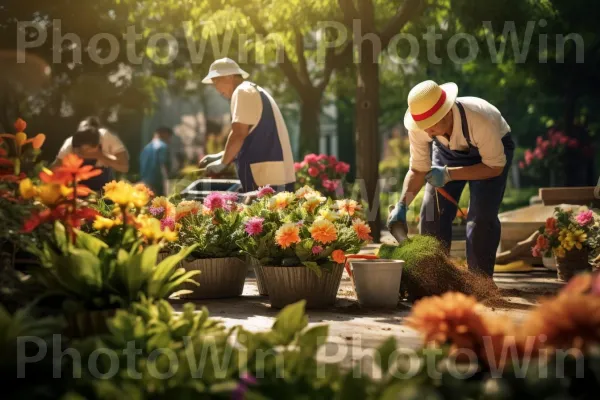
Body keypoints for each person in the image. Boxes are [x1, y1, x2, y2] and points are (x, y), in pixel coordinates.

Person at [388, 80, 515, 277]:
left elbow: (495, 167)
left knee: (481, 216)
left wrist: (449, 174)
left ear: (446, 112)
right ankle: (435, 278)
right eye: (423, 126)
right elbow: (418, 170)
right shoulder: (421, 127)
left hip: (491, 156)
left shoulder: (480, 119)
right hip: (447, 152)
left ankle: (480, 283)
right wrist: (402, 205)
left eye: (430, 124)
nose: (426, 131)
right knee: (431, 210)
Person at [199, 58, 296, 192]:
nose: (216, 88)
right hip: (273, 175)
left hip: (266, 179)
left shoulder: (242, 92)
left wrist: (223, 163)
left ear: (229, 76)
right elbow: (250, 136)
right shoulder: (251, 89)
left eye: (216, 81)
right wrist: (223, 155)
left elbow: (239, 134)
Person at [55, 118, 129, 191]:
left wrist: (100, 156)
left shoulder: (107, 137)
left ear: (98, 145)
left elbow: (124, 167)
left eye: (87, 150)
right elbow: (55, 168)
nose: (84, 153)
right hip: (77, 191)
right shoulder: (69, 143)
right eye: (80, 150)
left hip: (106, 190)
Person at [140, 127, 173, 196]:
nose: (170, 140)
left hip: (145, 181)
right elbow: (164, 165)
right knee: (160, 204)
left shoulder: (146, 147)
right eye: (169, 137)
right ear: (164, 134)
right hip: (158, 182)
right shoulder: (163, 146)